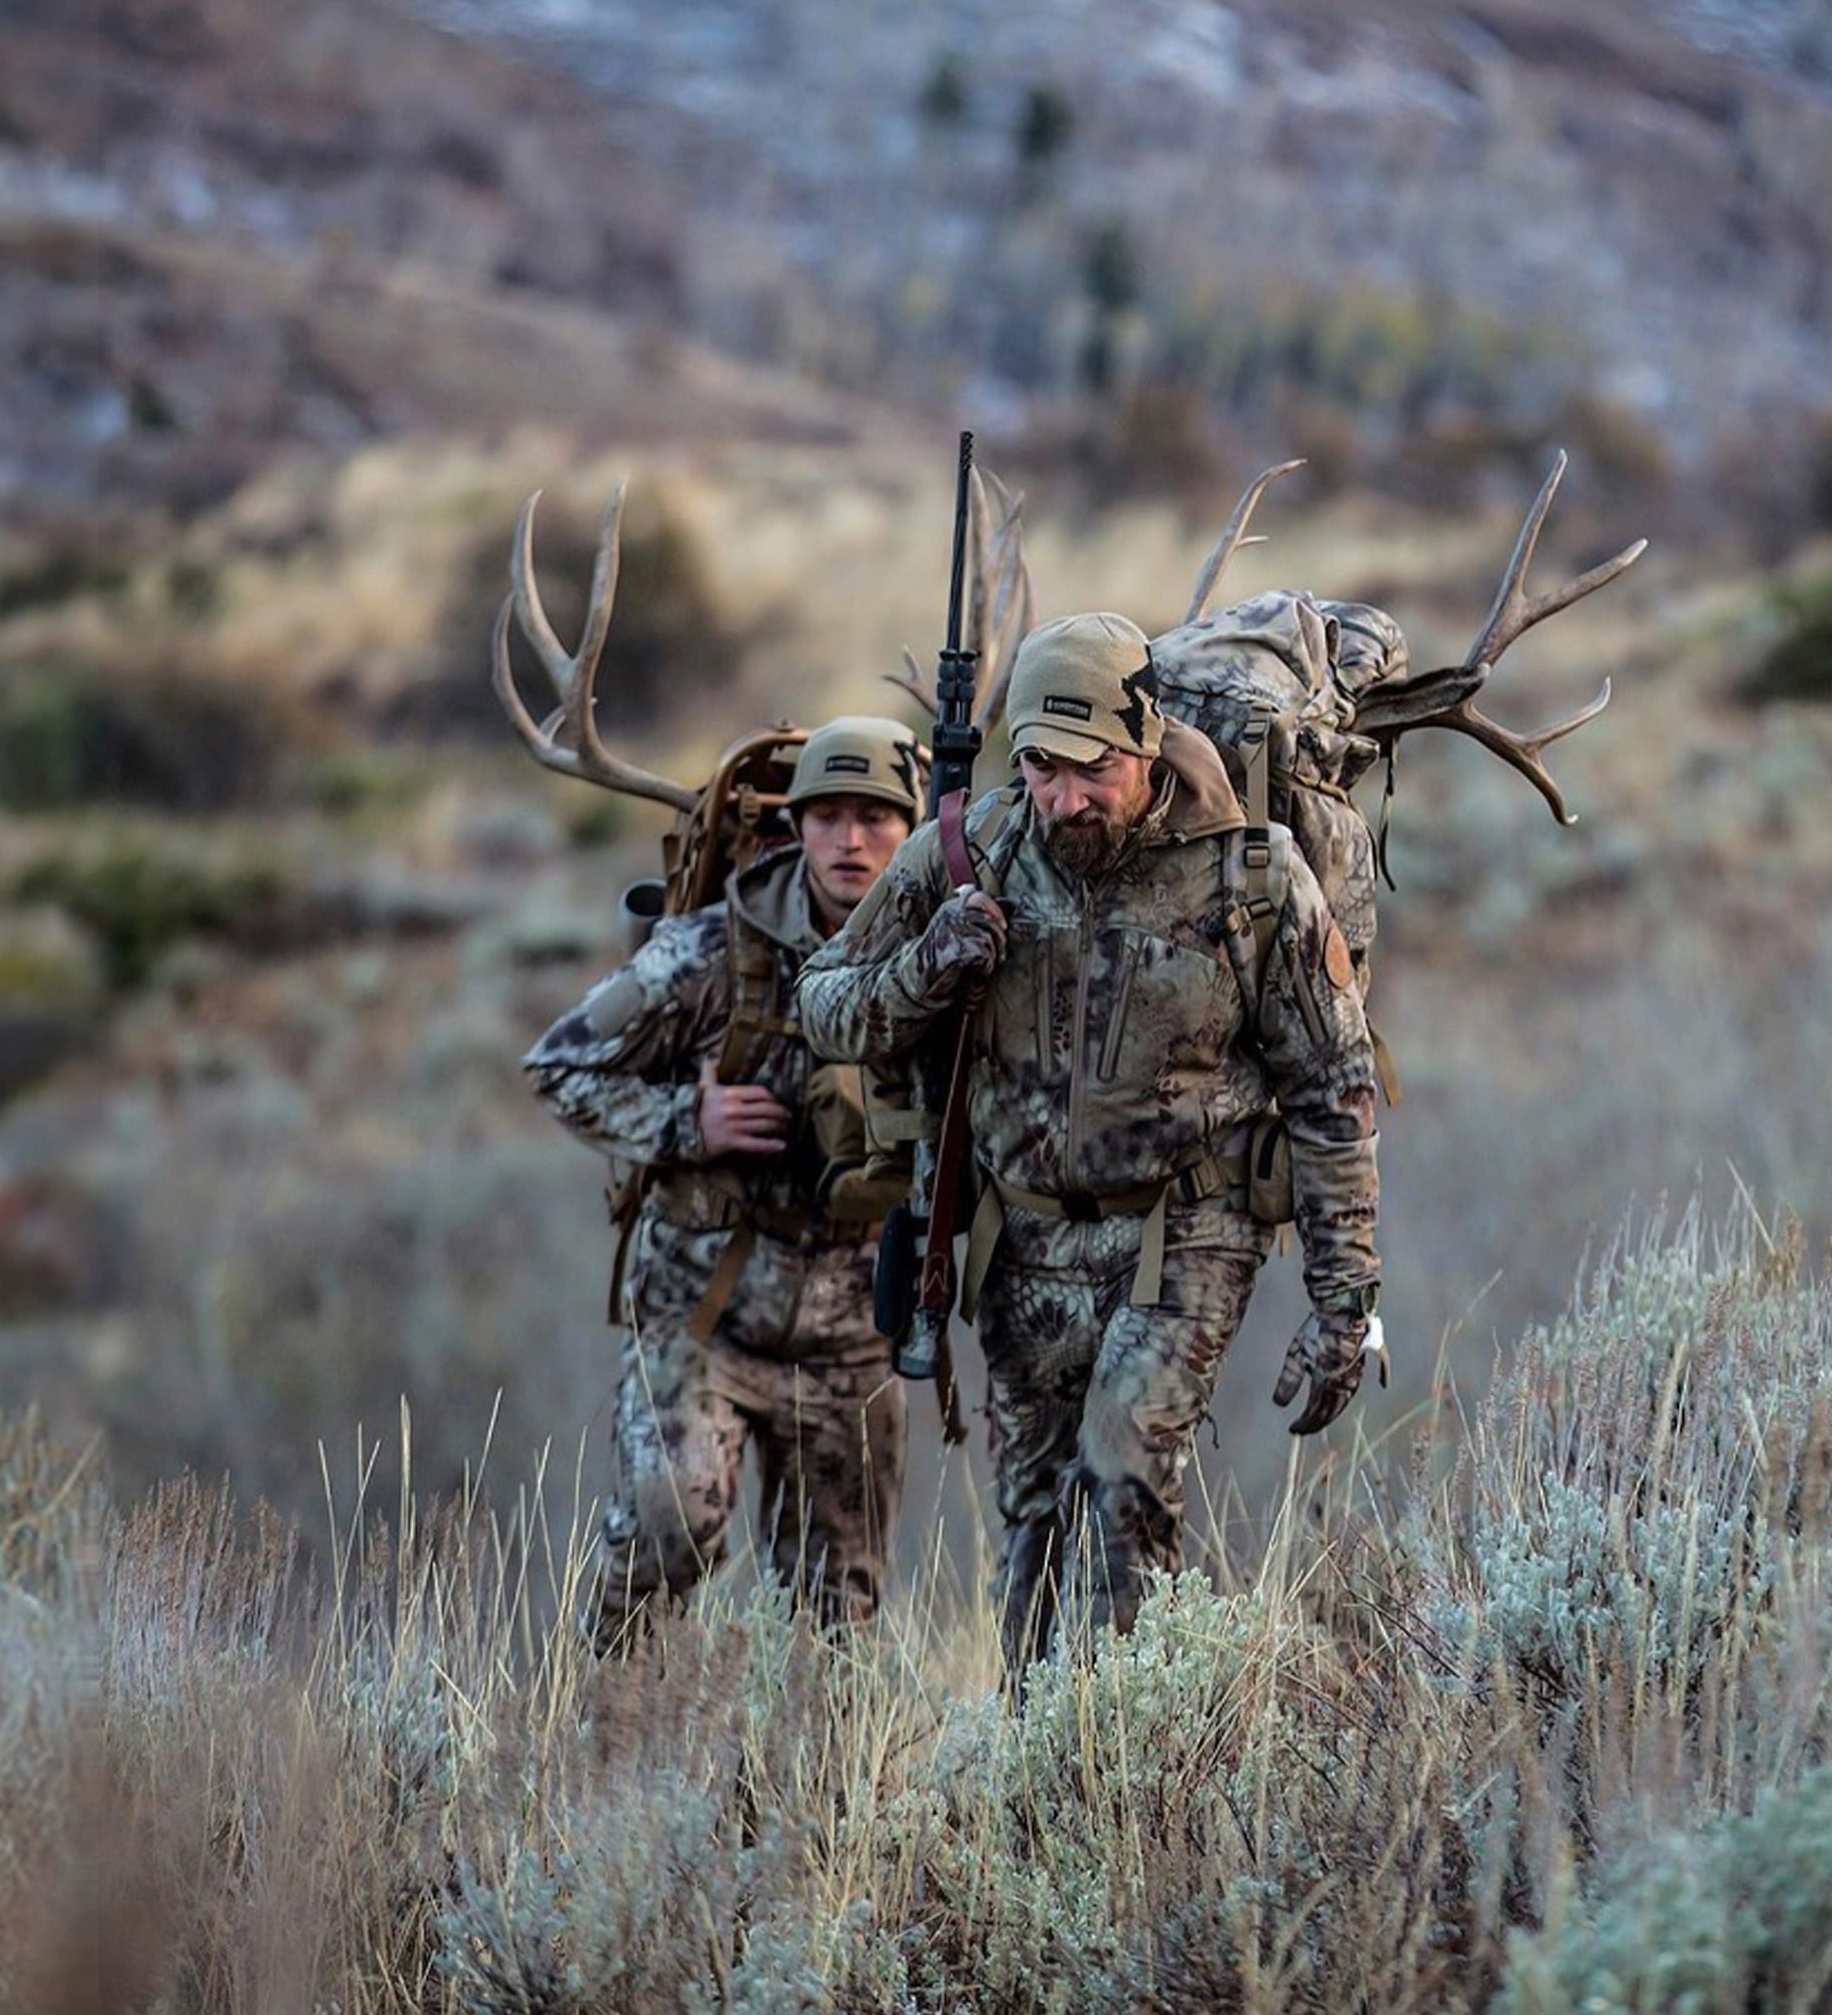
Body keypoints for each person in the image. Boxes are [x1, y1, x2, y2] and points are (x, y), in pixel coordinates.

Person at [797, 612, 1383, 1678]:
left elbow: (1331, 1084)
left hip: (1185, 1230)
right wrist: (926, 968)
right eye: (1041, 769)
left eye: (1093, 769)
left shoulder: (1249, 874)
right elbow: (823, 1006)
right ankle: (1036, 1751)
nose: (1066, 799)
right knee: (1033, 1526)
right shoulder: (967, 854)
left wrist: (1346, 1302)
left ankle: (1124, 1746)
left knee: (1122, 1486)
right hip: (1019, 1246)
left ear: (1145, 739)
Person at [524, 713, 928, 1643]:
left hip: (857, 1327)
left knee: (840, 1607)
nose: (851, 840)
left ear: (911, 828)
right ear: (797, 826)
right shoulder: (708, 951)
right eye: (827, 816)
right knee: (672, 1526)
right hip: (704, 1310)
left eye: (875, 816)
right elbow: (557, 1066)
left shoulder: (940, 954)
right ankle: (610, 1706)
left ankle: (808, 1748)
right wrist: (687, 1123)